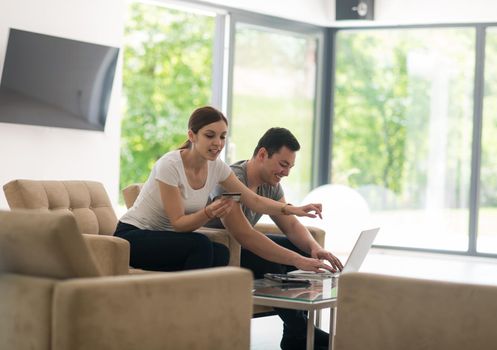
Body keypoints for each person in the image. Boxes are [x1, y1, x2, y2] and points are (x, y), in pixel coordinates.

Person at [114, 106, 334, 275]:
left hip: (166, 239)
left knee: (220, 253)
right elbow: (179, 224)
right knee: (201, 246)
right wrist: (209, 212)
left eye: (222, 136)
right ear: (192, 136)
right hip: (133, 237)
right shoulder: (170, 165)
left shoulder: (216, 166)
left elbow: (253, 201)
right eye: (210, 136)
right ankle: (192, 312)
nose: (218, 143)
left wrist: (293, 209)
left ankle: (197, 305)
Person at [208, 127, 344, 350]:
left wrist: (314, 248)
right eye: (283, 164)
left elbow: (289, 223)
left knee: (300, 249)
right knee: (271, 261)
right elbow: (244, 234)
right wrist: (295, 260)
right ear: (262, 154)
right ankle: (301, 329)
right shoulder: (231, 179)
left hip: (243, 245)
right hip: (224, 248)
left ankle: (293, 336)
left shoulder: (270, 185)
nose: (286, 172)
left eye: (290, 167)